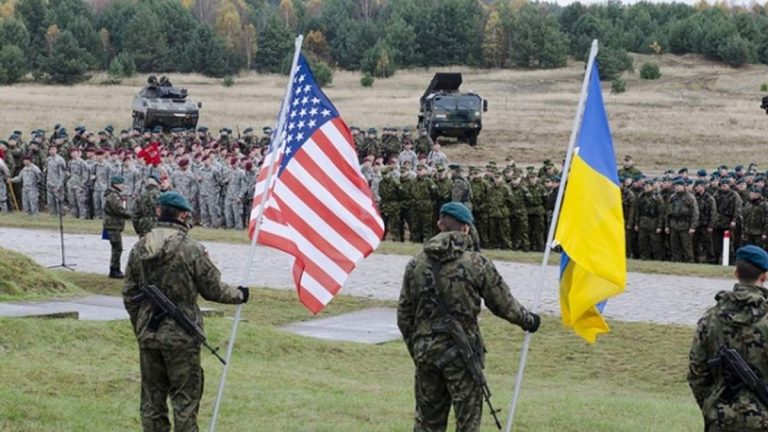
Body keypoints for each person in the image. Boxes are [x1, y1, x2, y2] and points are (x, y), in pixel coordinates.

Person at [397, 202, 540, 432]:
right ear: (465, 229)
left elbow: (404, 316)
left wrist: (419, 348)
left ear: (439, 225)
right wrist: (530, 321)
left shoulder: (415, 264)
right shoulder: (477, 264)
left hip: (427, 354)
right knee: (468, 424)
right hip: (462, 354)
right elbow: (504, 305)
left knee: (427, 423)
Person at [122, 191, 249, 432]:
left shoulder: (140, 248)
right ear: (183, 216)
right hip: (182, 337)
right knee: (185, 401)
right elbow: (213, 290)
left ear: (159, 212)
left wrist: (140, 325)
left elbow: (129, 293)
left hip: (149, 335)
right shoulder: (191, 249)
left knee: (152, 399)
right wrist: (240, 295)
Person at [688, 245, 768, 431]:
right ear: (764, 276)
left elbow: (696, 373)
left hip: (720, 420)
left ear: (736, 273)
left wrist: (713, 406)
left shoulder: (710, 318)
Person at [104, 175, 131, 278]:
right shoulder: (113, 196)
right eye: (121, 184)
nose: (123, 186)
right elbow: (118, 209)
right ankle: (114, 270)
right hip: (113, 225)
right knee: (117, 248)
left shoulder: (114, 194)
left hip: (113, 225)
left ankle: (115, 269)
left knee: (116, 248)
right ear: (115, 184)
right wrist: (129, 215)